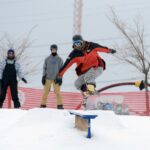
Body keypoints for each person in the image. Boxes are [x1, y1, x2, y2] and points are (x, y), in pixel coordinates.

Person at [55, 35, 116, 107]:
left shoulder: (91, 46)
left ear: (82, 42)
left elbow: (101, 48)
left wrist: (109, 50)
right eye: (75, 44)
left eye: (79, 43)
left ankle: (94, 96)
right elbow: (66, 65)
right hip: (86, 71)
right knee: (77, 83)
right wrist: (59, 76)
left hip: (97, 67)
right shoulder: (74, 54)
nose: (78, 46)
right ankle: (87, 96)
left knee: (88, 77)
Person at [40, 44, 64, 109]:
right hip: (48, 78)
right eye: (52, 49)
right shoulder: (47, 59)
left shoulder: (59, 59)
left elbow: (62, 69)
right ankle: (43, 105)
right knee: (45, 92)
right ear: (51, 50)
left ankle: (60, 105)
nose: (53, 50)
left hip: (56, 78)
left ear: (56, 50)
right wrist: (43, 76)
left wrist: (60, 78)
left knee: (58, 92)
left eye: (55, 49)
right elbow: (44, 68)